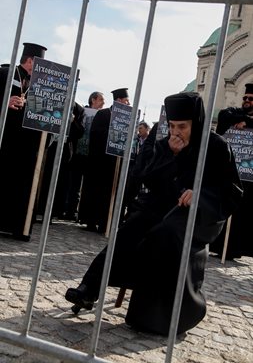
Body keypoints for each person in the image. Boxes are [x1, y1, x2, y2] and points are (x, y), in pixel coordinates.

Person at [65, 91, 243, 336]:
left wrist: (200, 195)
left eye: (182, 126)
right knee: (130, 230)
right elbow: (146, 177)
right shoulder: (164, 144)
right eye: (172, 126)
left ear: (196, 123)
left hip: (201, 216)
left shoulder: (217, 147)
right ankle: (90, 287)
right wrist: (170, 156)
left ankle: (151, 317)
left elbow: (231, 192)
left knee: (165, 233)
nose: (176, 132)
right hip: (161, 207)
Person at [0, 42, 47, 241]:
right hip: (5, 140)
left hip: (28, 144)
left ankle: (18, 227)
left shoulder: (40, 85)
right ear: (30, 61)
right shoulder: (5, 74)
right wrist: (5, 102)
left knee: (23, 185)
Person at [78, 87, 130, 234]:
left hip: (116, 163)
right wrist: (113, 133)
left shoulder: (127, 118)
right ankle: (91, 221)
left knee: (110, 193)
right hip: (100, 162)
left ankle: (105, 222)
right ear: (119, 100)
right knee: (96, 191)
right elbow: (95, 134)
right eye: (126, 100)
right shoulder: (103, 114)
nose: (128, 103)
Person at [210, 83, 253, 259]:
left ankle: (234, 249)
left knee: (243, 215)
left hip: (250, 177)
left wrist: (248, 122)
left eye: (251, 99)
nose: (247, 101)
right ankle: (220, 246)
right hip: (232, 173)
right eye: (245, 98)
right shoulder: (233, 113)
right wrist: (240, 120)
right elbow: (223, 116)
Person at [63, 91, 105, 220]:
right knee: (74, 184)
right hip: (77, 153)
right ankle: (70, 210)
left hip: (91, 155)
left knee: (87, 186)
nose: (103, 103)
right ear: (93, 99)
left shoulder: (103, 115)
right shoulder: (82, 111)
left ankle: (82, 214)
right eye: (101, 100)